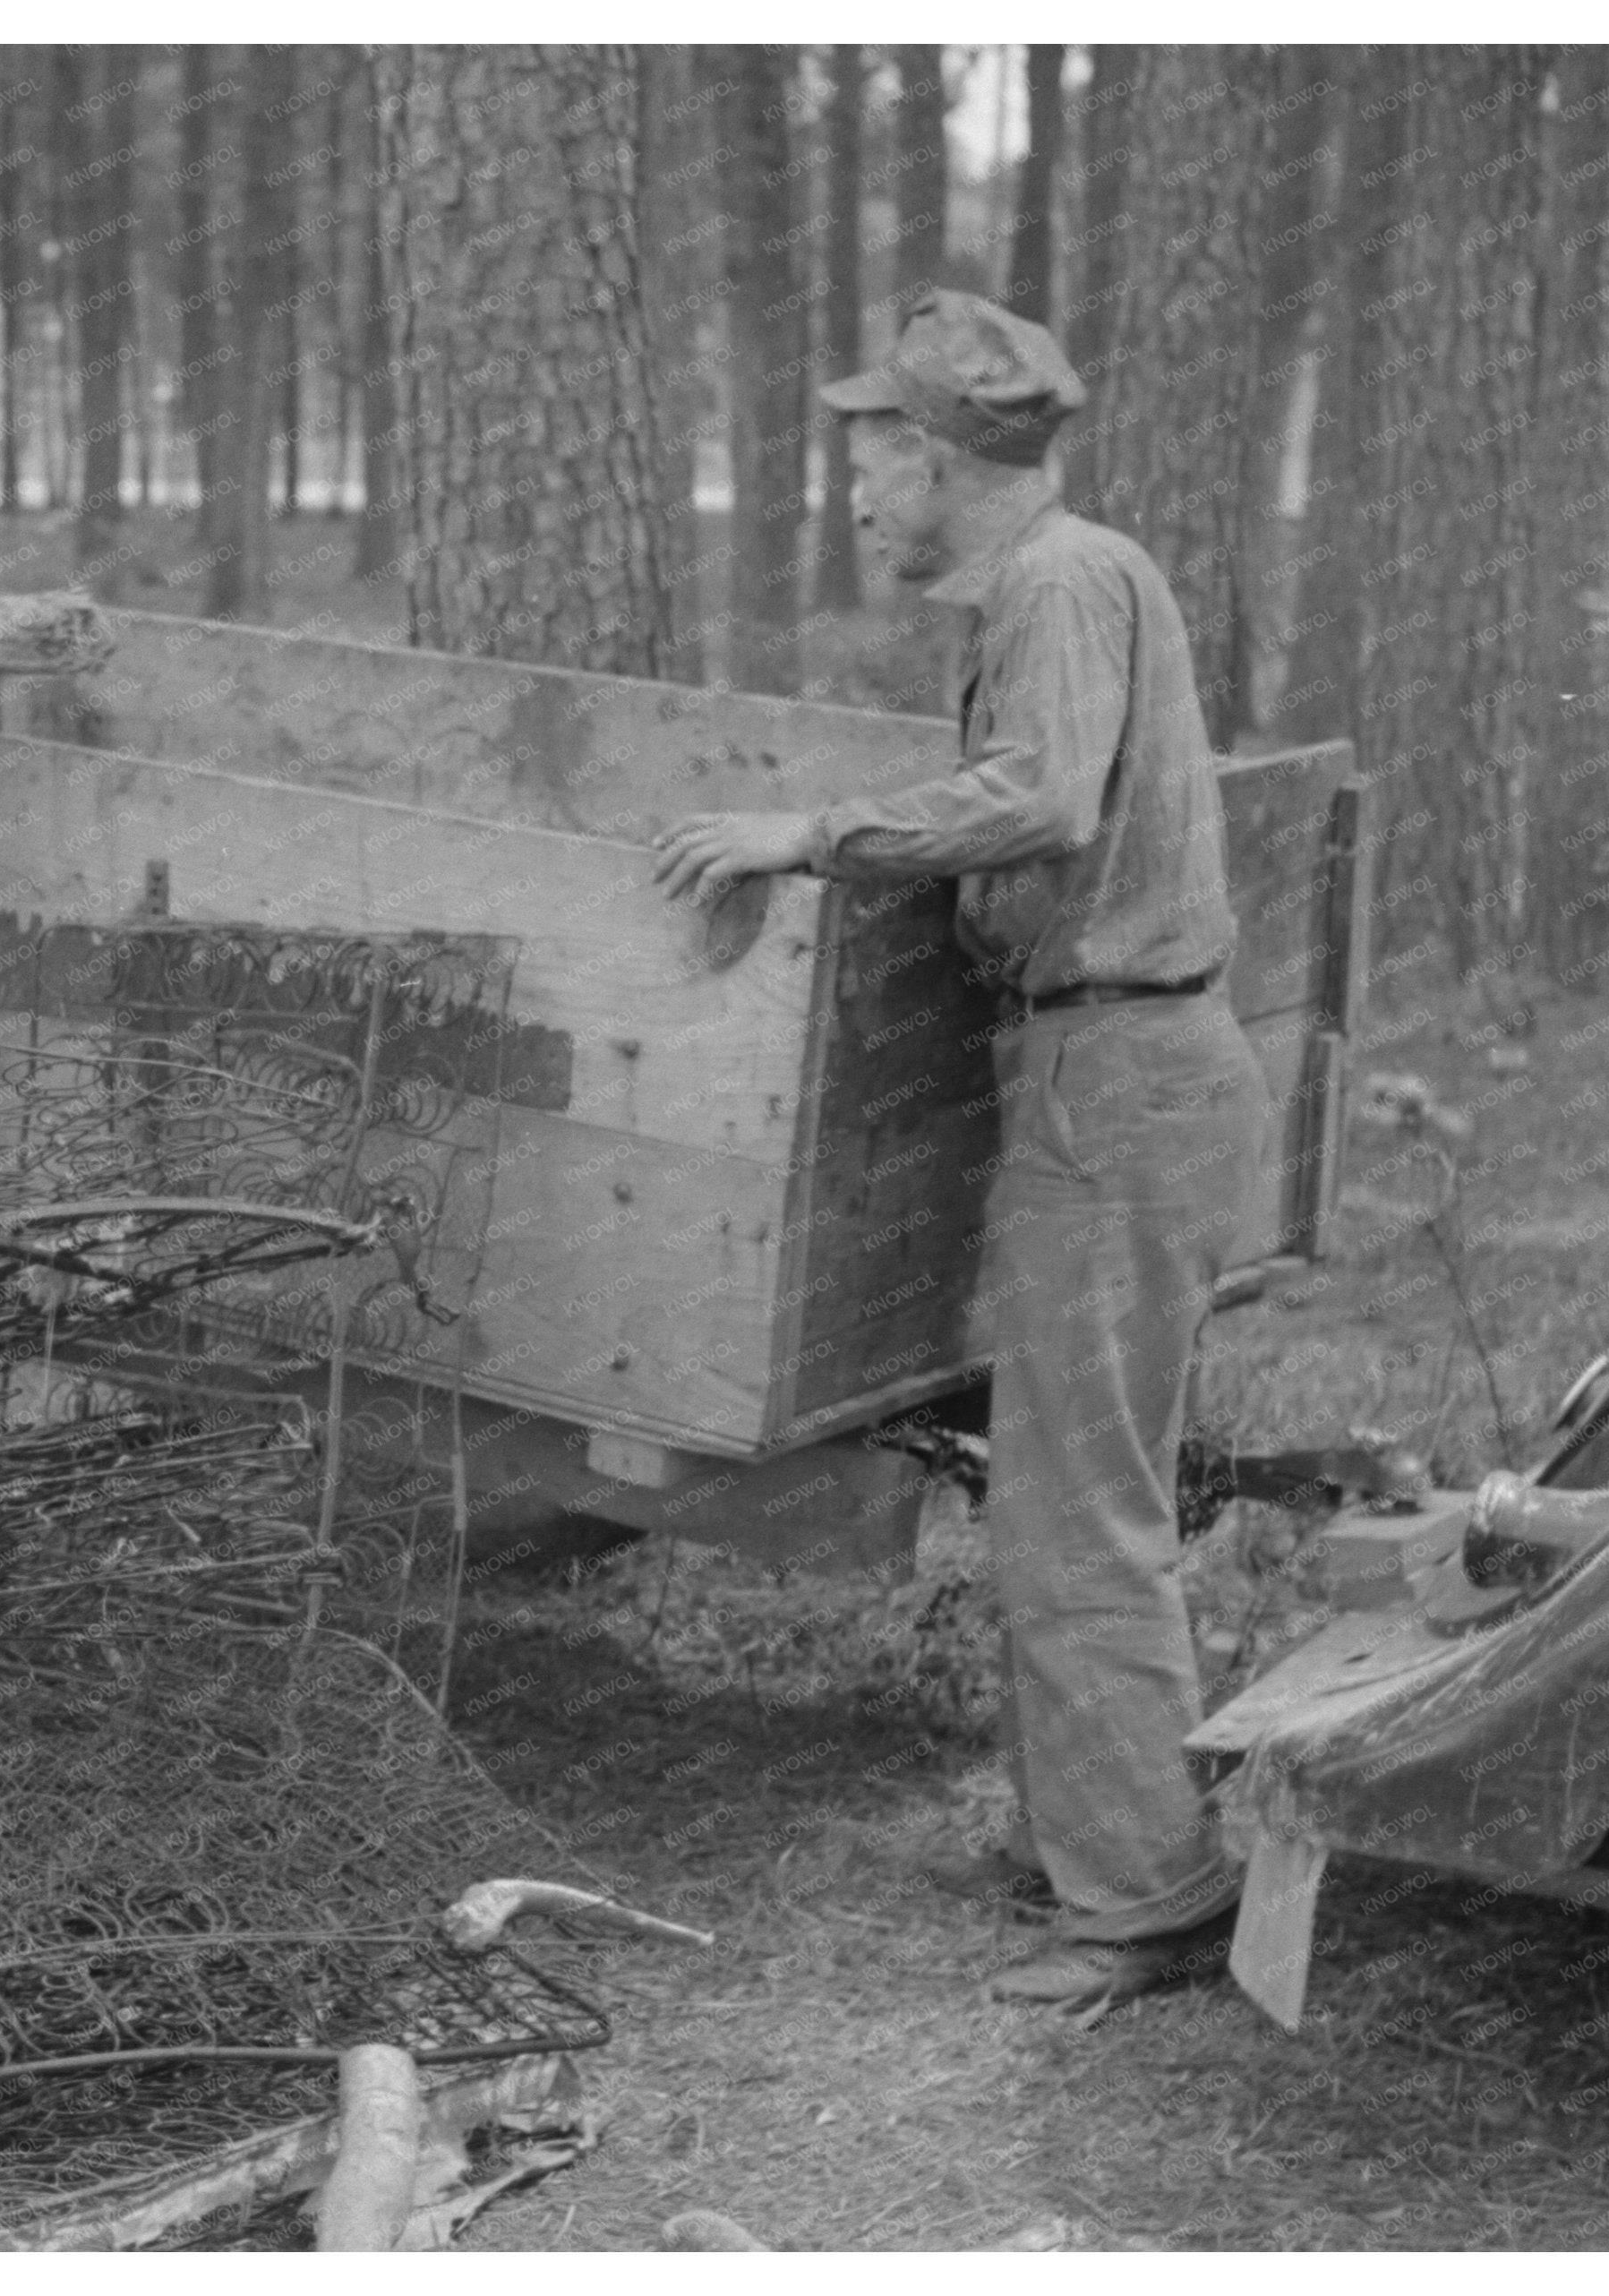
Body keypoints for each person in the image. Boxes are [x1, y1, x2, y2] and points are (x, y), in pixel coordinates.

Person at [647, 289, 1270, 2010]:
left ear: (939, 459)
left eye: (870, 461)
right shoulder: (1062, 578)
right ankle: (1110, 1842)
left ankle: (1146, 1897)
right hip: (1110, 1065)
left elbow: (1044, 797)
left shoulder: (1063, 580)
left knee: (1078, 1512)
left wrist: (809, 833)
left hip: (1120, 1070)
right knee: (1068, 1496)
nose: (853, 496)